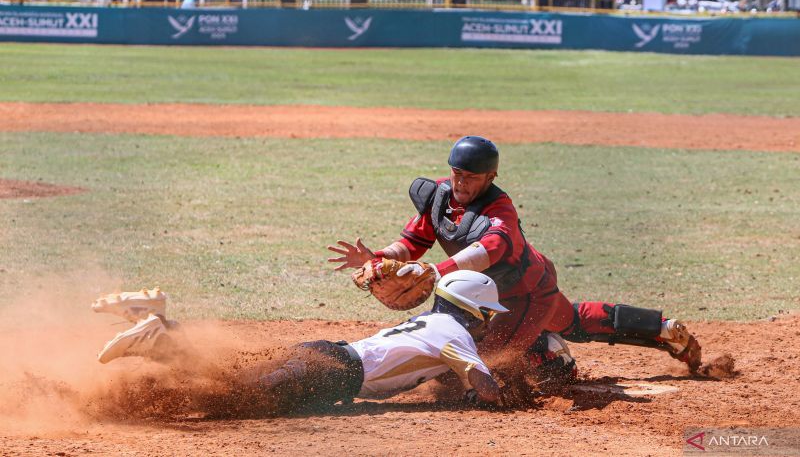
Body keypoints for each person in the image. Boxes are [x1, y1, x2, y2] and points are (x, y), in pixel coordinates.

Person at [328, 136, 702, 381]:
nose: (461, 184)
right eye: (457, 174)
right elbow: (410, 242)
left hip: (523, 293)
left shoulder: (499, 210)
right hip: (484, 296)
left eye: (472, 178)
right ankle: (664, 328)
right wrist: (378, 256)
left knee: (485, 368)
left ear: (491, 176)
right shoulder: (440, 197)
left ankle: (549, 356)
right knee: (571, 320)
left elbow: (487, 250)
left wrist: (434, 270)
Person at [92, 271, 508, 414]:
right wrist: (501, 395)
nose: (488, 326)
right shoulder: (456, 336)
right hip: (333, 374)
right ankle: (158, 339)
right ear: (475, 311)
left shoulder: (433, 322)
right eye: (488, 316)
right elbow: (485, 388)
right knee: (238, 395)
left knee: (236, 373)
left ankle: (161, 320)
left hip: (327, 358)